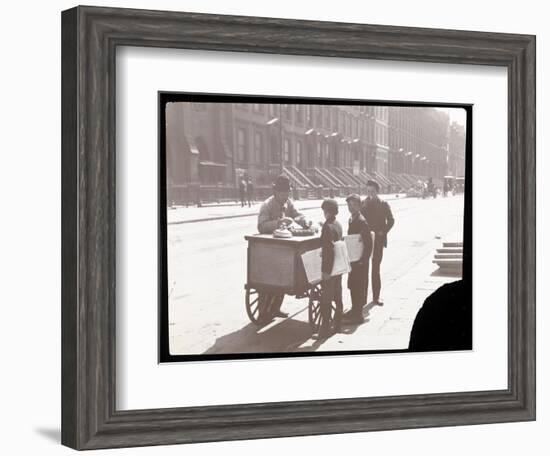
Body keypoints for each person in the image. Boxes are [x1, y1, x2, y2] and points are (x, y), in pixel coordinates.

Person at [361, 180, 394, 306]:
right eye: (368, 192)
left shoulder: (383, 204)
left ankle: (376, 297)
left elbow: (391, 220)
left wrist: (383, 231)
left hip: (378, 241)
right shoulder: (364, 203)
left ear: (377, 192)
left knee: (375, 269)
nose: (370, 194)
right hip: (366, 241)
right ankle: (363, 298)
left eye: (373, 192)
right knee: (364, 269)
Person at [315, 198, 343, 339]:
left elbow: (328, 251)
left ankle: (324, 329)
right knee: (337, 296)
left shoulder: (327, 227)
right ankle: (337, 325)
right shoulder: (337, 224)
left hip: (330, 269)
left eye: (325, 211)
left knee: (326, 299)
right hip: (338, 267)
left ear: (327, 212)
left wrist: (326, 271)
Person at [344, 194, 372, 324]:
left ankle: (358, 315)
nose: (351, 207)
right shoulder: (352, 219)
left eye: (354, 205)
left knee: (359, 286)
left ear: (360, 206)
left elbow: (368, 243)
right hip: (354, 258)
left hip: (360, 260)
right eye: (349, 205)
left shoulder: (361, 221)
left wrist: (363, 260)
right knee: (352, 285)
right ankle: (354, 309)